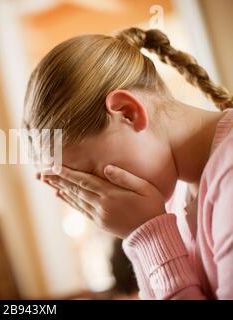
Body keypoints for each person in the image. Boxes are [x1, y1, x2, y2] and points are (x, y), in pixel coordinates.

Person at [24, 27, 233, 299]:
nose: (103, 198)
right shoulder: (170, 196)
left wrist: (149, 236)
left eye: (92, 175)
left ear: (128, 112)